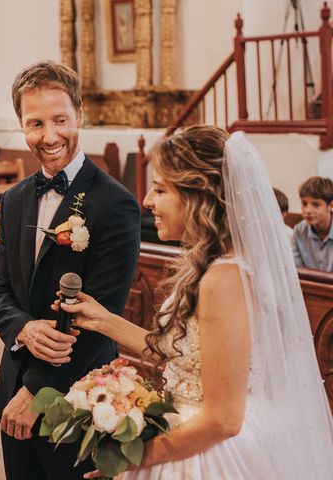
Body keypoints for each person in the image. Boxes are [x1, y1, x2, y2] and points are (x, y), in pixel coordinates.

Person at [56, 126, 333, 479]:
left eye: (160, 189)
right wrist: (101, 318)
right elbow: (182, 354)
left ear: (197, 196)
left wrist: (133, 460)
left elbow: (222, 421)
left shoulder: (224, 279)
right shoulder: (213, 266)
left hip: (209, 450)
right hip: (191, 430)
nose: (147, 202)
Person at [0, 60, 141, 479]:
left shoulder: (115, 204)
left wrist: (35, 392)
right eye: (35, 123)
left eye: (60, 120)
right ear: (21, 124)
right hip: (11, 392)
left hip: (78, 399)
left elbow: (99, 321)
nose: (49, 136)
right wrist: (23, 328)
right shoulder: (14, 199)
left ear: (80, 115)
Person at [292, 176, 333, 271]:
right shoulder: (299, 230)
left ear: (330, 206)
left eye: (316, 204)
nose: (308, 210)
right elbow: (296, 271)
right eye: (304, 203)